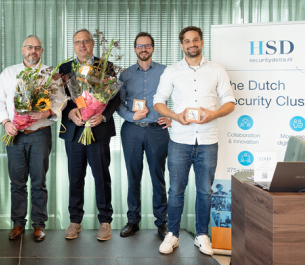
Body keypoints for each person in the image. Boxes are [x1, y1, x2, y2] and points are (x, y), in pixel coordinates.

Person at [154, 26, 235, 256]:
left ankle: (201, 236)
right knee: (176, 190)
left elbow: (229, 102)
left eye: (195, 40)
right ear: (182, 45)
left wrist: (213, 114)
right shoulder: (172, 71)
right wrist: (175, 116)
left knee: (205, 191)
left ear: (201, 43)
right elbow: (158, 101)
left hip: (208, 140)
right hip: (180, 139)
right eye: (187, 41)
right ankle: (173, 234)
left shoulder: (217, 70)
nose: (192, 44)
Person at [0, 35, 63, 242]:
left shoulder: (50, 75)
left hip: (40, 134)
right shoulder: (9, 73)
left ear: (41, 51)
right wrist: (6, 122)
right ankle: (17, 224)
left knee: (39, 182)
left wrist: (47, 113)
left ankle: (39, 224)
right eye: (29, 47)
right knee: (17, 182)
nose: (33, 51)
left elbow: (60, 101)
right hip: (14, 136)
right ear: (22, 49)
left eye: (37, 48)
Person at [59, 29, 121, 241]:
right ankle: (75, 221)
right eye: (78, 42)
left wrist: (102, 116)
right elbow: (59, 98)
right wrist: (70, 111)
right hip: (74, 131)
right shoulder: (65, 68)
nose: (82, 45)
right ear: (74, 45)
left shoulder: (106, 66)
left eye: (86, 41)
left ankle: (105, 221)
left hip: (98, 130)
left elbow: (114, 98)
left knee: (101, 176)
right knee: (75, 177)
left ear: (93, 44)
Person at [117, 32, 171, 240]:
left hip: (157, 130)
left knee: (158, 176)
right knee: (133, 176)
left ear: (153, 48)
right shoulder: (125, 75)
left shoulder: (166, 72)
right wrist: (131, 115)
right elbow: (118, 105)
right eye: (140, 46)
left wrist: (172, 118)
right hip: (131, 130)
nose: (143, 49)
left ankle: (162, 222)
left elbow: (182, 96)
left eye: (147, 45)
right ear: (134, 49)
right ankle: (133, 221)